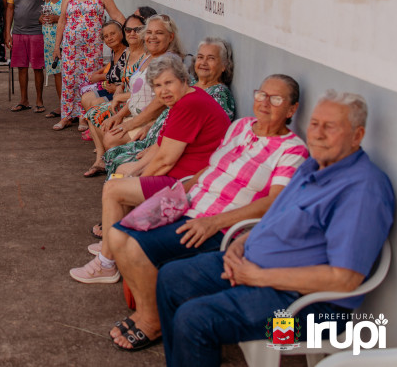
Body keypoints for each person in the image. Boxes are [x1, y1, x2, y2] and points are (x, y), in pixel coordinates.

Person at [156, 91, 394, 366]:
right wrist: (242, 243)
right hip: (255, 270)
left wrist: (258, 276)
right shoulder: (312, 166)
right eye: (315, 124)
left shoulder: (362, 190)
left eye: (330, 127)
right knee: (172, 277)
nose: (317, 134)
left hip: (311, 313)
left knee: (195, 319)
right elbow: (276, 215)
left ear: (357, 135)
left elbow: (344, 280)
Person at [106, 75, 307, 352]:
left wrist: (213, 222)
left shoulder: (292, 149)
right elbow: (212, 167)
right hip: (189, 204)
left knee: (137, 247)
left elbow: (273, 203)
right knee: (117, 234)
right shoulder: (241, 126)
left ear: (291, 109)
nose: (265, 103)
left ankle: (151, 323)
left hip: (218, 225)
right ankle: (146, 311)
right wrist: (178, 191)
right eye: (261, 95)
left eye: (276, 99)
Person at [69, 54, 230, 283]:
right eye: (157, 86)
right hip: (181, 174)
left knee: (115, 189)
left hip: (188, 183)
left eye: (168, 83)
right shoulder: (183, 100)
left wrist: (140, 177)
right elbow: (161, 145)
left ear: (184, 80)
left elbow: (165, 160)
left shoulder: (189, 104)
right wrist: (133, 171)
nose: (163, 91)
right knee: (122, 171)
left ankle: (106, 264)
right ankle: (115, 244)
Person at [103, 37, 236, 178]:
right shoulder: (191, 83)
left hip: (172, 152)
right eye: (200, 57)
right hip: (157, 142)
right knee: (113, 153)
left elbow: (199, 140)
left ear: (224, 66)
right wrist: (150, 125)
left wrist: (155, 152)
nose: (203, 63)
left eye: (211, 58)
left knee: (121, 162)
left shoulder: (219, 95)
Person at [82, 14, 184, 176]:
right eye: (149, 32)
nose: (152, 37)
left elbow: (160, 103)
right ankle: (107, 163)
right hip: (136, 114)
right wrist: (120, 115)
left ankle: (125, 172)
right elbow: (137, 93)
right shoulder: (148, 57)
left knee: (110, 137)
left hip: (152, 121)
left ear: (170, 36)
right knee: (103, 122)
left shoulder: (169, 61)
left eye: (159, 33)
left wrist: (131, 124)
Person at [52, 0, 126, 130]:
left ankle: (84, 118)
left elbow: (116, 14)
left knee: (88, 81)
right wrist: (57, 47)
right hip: (70, 46)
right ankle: (66, 116)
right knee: (69, 80)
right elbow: (62, 21)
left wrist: (131, 29)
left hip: (92, 48)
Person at [5, 0, 51, 113]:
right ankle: (23, 100)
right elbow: (10, 9)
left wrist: (45, 14)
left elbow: (52, 1)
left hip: (37, 32)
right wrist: (7, 33)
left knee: (38, 68)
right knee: (21, 67)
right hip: (17, 32)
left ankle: (39, 101)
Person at [40, 0, 70, 118]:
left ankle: (72, 107)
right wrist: (42, 19)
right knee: (57, 74)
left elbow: (74, 17)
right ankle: (62, 105)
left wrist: (57, 18)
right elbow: (43, 14)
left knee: (68, 74)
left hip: (66, 40)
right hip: (50, 42)